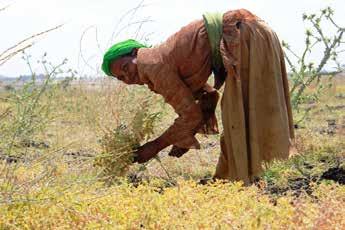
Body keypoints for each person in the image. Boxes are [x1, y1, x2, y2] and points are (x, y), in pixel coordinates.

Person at [101, 9, 295, 184]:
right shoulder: (160, 61)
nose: (128, 77)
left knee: (240, 114)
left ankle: (252, 178)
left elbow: (191, 115)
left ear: (136, 53)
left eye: (126, 67)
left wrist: (153, 147)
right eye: (121, 78)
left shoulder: (152, 64)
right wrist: (185, 134)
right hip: (253, 32)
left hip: (243, 36)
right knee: (241, 112)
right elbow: (209, 96)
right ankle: (242, 178)